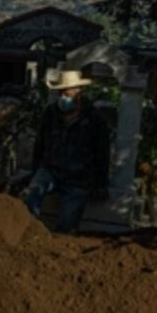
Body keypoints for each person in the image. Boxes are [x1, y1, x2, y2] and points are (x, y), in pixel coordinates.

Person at [25, 69, 110, 233]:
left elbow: (102, 152)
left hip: (78, 178)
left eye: (67, 92)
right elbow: (40, 144)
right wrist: (34, 172)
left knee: (66, 226)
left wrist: (101, 183)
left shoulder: (94, 119)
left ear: (78, 91)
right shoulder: (50, 113)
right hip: (51, 170)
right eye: (61, 92)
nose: (63, 96)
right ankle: (30, 230)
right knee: (32, 194)